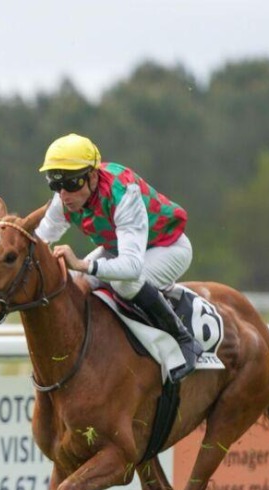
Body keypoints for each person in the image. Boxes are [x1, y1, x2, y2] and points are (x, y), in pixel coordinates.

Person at [33, 133, 204, 383]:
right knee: (73, 281)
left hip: (168, 247)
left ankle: (183, 341)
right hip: (119, 247)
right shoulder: (63, 200)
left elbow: (132, 268)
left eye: (71, 184)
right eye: (55, 185)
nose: (64, 195)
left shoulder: (123, 193)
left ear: (92, 176)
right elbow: (38, 242)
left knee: (123, 284)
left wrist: (83, 264)